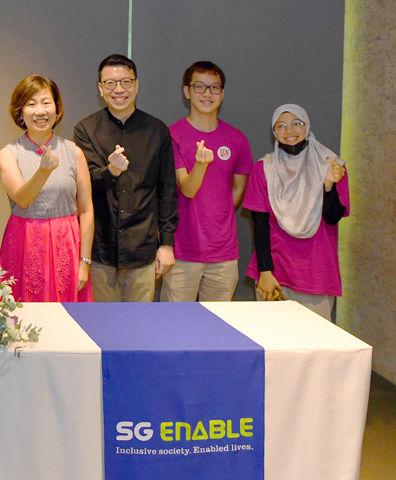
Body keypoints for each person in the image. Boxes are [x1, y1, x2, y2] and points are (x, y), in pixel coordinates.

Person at [74, 54, 178, 302]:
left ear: (137, 85)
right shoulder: (85, 129)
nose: (118, 90)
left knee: (139, 328)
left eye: (126, 82)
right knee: (99, 327)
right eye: (110, 83)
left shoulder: (157, 130)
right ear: (100, 89)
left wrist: (166, 244)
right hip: (100, 251)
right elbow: (83, 185)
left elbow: (167, 190)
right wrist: (110, 171)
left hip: (142, 251)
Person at [244, 104, 349, 319]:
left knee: (316, 346)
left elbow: (333, 217)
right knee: (272, 344)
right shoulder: (264, 168)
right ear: (274, 132)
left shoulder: (332, 165)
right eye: (281, 126)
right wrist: (265, 272)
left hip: (316, 274)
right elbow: (260, 224)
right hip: (274, 273)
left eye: (296, 123)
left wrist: (329, 185)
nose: (289, 130)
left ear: (307, 125)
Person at [160, 61, 252, 302]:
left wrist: (217, 216)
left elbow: (239, 189)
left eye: (214, 88)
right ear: (187, 91)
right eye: (199, 87)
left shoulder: (237, 139)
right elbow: (187, 189)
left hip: (223, 253)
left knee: (219, 327)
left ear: (222, 93)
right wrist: (200, 165)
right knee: (175, 327)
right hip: (182, 251)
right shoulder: (172, 135)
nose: (207, 94)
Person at [0, 74, 93, 301]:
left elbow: (87, 210)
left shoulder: (74, 152)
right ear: (20, 113)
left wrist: (85, 262)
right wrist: (44, 170)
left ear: (57, 109)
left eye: (46, 102)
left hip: (67, 248)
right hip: (24, 246)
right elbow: (22, 199)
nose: (40, 111)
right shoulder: (9, 153)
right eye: (31, 104)